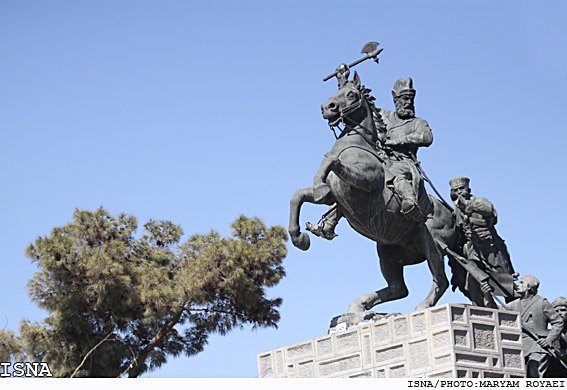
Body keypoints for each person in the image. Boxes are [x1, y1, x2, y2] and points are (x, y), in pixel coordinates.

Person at [307, 77, 432, 239]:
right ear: (395, 100)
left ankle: (410, 202)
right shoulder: (385, 116)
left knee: (397, 172)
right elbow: (357, 105)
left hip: (403, 161)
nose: (407, 102)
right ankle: (329, 222)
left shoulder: (417, 122)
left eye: (410, 99)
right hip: (381, 158)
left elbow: (427, 137)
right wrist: (343, 81)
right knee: (354, 181)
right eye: (403, 99)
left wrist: (398, 141)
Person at [448, 176, 516, 307]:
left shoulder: (480, 201)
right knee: (473, 278)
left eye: (461, 189)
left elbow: (489, 210)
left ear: (468, 189)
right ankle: (481, 306)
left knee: (504, 279)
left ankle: (513, 307)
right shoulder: (456, 210)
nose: (459, 192)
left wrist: (469, 205)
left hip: (491, 247)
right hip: (473, 249)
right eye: (455, 190)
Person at [505, 276, 564, 378]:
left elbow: (558, 322)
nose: (518, 286)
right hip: (520, 345)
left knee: (534, 370)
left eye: (521, 283)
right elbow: (495, 311)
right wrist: (487, 294)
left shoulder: (542, 302)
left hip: (538, 345)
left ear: (529, 287)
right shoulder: (514, 305)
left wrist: (549, 340)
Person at [547, 297, 567, 377]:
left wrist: (562, 353)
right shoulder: (550, 334)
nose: (559, 313)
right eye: (556, 311)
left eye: (563, 310)